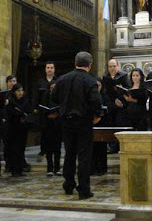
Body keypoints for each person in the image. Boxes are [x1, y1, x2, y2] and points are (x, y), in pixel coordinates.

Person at [53, 51, 101, 199]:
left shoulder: (62, 80)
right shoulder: (90, 81)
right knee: (84, 156)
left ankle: (68, 185)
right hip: (84, 122)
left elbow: (53, 98)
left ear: (75, 63)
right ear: (90, 65)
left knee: (69, 154)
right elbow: (95, 101)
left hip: (66, 121)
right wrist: (97, 115)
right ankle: (84, 189)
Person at [102, 59, 129, 153]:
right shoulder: (105, 78)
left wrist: (121, 101)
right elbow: (104, 94)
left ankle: (119, 146)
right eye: (110, 66)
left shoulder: (124, 76)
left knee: (119, 125)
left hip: (121, 106)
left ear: (118, 66)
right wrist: (113, 102)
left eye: (114, 66)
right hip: (111, 106)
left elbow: (127, 90)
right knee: (111, 125)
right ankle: (112, 146)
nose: (112, 68)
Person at [6, 83, 32, 177]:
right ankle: (14, 169)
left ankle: (20, 168)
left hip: (23, 128)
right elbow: (10, 113)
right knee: (14, 149)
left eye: (21, 91)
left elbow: (29, 112)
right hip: (13, 127)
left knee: (21, 149)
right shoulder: (11, 101)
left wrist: (25, 118)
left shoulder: (25, 101)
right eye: (18, 91)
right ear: (14, 92)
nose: (20, 93)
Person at [35, 61, 57, 161]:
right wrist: (35, 107)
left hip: (55, 111)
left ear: (54, 69)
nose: (49, 69)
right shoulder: (40, 81)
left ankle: (53, 149)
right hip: (43, 111)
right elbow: (36, 96)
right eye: (48, 67)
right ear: (45, 69)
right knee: (43, 132)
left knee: (55, 133)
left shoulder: (58, 81)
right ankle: (43, 149)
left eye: (51, 67)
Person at [42, 81, 62, 177]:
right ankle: (49, 169)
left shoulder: (60, 99)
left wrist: (57, 114)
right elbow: (42, 111)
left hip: (58, 126)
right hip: (48, 126)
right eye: (51, 87)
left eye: (55, 87)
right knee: (48, 149)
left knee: (57, 149)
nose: (53, 89)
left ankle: (57, 168)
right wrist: (47, 115)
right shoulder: (45, 99)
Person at [2, 75, 17, 173]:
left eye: (14, 81)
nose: (12, 83)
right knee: (7, 144)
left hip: (15, 122)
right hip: (6, 121)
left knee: (16, 145)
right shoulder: (4, 94)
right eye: (11, 81)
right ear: (7, 83)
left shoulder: (18, 93)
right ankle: (8, 164)